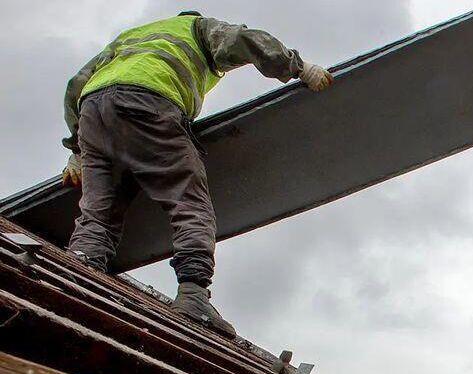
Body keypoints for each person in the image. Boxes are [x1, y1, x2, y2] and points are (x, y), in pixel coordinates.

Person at [59, 11, 333, 338]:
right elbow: (243, 41)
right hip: (150, 100)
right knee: (188, 201)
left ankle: (80, 265)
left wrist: (77, 148)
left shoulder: (133, 37)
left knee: (99, 209)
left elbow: (77, 84)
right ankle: (193, 295)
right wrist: (298, 68)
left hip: (93, 111)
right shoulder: (197, 28)